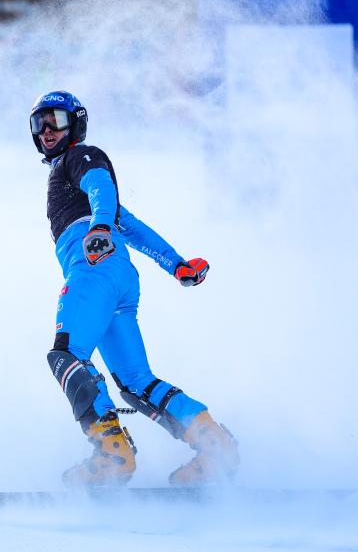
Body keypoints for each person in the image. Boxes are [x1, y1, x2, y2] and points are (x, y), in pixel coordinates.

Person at [31, 90, 239, 488]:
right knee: (135, 382)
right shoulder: (82, 191)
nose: (46, 130)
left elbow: (101, 187)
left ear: (76, 123)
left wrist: (99, 228)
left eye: (55, 120)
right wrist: (176, 264)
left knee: (66, 355)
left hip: (94, 268)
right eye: (38, 123)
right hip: (119, 278)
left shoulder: (81, 157)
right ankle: (215, 445)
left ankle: (111, 455)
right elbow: (132, 226)